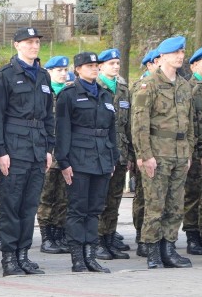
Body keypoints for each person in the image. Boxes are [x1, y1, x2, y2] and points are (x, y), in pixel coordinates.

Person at [0, 27, 54, 276]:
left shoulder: (43, 76)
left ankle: (23, 255)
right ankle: (9, 258)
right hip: (14, 149)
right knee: (11, 205)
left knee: (29, 206)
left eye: (36, 42)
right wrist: (0, 151)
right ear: (16, 45)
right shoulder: (6, 75)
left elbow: (49, 115)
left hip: (37, 148)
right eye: (28, 42)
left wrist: (49, 147)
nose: (33, 46)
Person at [131, 36, 195, 269]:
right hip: (157, 152)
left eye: (182, 52)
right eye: (175, 52)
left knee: (175, 205)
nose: (180, 56)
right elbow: (139, 123)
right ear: (163, 56)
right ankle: (152, 250)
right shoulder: (148, 85)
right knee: (155, 204)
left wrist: (188, 153)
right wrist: (144, 155)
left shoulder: (184, 85)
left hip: (179, 153)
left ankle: (169, 248)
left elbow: (190, 124)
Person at [54, 52, 119, 273]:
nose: (94, 69)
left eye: (96, 65)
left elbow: (112, 130)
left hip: (102, 158)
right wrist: (63, 161)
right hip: (79, 159)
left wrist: (113, 159)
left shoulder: (105, 95)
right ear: (78, 69)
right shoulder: (69, 95)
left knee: (95, 209)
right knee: (77, 210)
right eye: (89, 65)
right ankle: (77, 257)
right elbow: (62, 129)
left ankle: (91, 254)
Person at [96, 48, 134, 259]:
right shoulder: (96, 87)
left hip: (120, 151)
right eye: (111, 63)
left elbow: (128, 124)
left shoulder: (123, 89)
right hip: (101, 152)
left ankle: (110, 238)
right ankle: (98, 240)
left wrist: (130, 154)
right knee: (100, 200)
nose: (116, 66)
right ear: (100, 66)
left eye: (118, 63)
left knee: (115, 200)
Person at [181, 45, 202, 257]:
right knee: (193, 194)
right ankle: (192, 234)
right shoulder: (190, 89)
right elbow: (190, 124)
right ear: (194, 65)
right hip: (194, 151)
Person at [37, 55, 71, 255]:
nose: (63, 74)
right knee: (46, 196)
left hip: (64, 152)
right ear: (49, 72)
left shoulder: (68, 93)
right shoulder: (45, 93)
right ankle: (46, 236)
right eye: (58, 70)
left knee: (63, 197)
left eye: (65, 70)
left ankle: (59, 234)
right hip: (49, 151)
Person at [131, 48, 161, 256]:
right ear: (149, 65)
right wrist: (139, 153)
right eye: (156, 61)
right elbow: (136, 123)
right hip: (144, 149)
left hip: (165, 151)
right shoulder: (141, 88)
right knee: (144, 196)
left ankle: (159, 240)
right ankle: (142, 236)